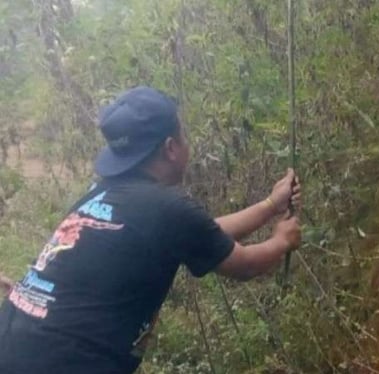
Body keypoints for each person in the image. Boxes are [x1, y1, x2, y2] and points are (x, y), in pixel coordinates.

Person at [0, 86, 301, 374]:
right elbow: (244, 265)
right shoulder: (166, 208)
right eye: (183, 134)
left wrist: (270, 205)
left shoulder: (99, 194)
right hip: (66, 363)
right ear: (171, 147)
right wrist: (281, 241)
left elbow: (202, 236)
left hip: (14, 342)